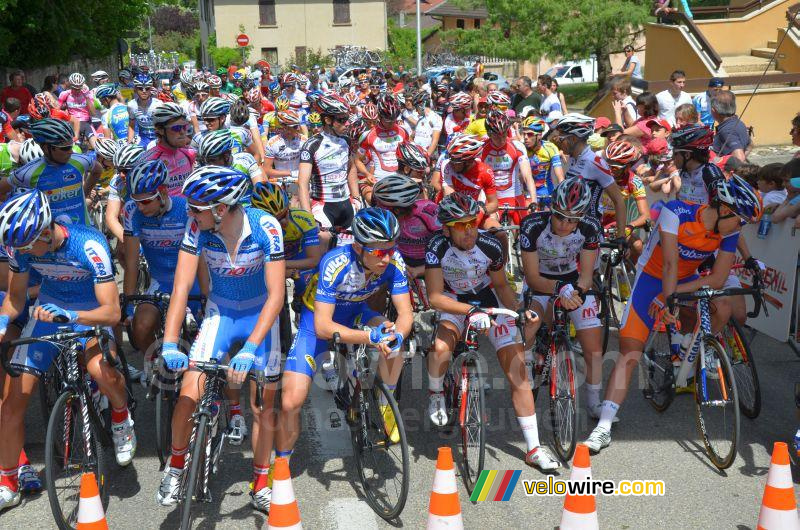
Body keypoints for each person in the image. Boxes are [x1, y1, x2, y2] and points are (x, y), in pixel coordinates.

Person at [584, 176, 761, 453]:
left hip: (687, 281)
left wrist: (676, 295)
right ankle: (604, 426)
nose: (741, 227)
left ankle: (691, 350)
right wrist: (668, 299)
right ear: (724, 208)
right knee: (630, 350)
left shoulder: (729, 232)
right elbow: (668, 264)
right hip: (652, 279)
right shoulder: (676, 213)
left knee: (724, 306)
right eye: (741, 220)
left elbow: (717, 279)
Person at [156, 166, 284, 513]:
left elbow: (276, 296)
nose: (189, 213)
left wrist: (252, 349)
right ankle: (176, 466)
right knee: (187, 394)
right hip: (220, 314)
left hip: (260, 316)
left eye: (196, 207)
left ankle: (260, 481)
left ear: (221, 208)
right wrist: (169, 342)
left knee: (263, 407)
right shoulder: (197, 227)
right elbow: (181, 287)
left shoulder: (265, 227)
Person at [0, 190, 134, 512]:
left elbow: (112, 312)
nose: (24, 254)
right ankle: (7, 481)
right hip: (48, 312)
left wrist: (75, 317)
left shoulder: (88, 244)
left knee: (100, 370)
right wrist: (3, 320)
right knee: (12, 401)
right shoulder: (23, 246)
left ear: (47, 230)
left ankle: (120, 416)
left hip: (90, 312)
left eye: (29, 246)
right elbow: (16, 299)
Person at [424, 192, 558, 470]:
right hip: (454, 303)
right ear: (447, 228)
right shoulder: (436, 246)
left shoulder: (489, 245)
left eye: (472, 222)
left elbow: (501, 287)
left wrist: (520, 310)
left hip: (488, 301)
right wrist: (471, 313)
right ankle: (436, 394)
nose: (470, 230)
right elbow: (435, 297)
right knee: (440, 348)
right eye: (461, 226)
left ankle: (533, 448)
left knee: (518, 373)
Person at [278, 208, 412, 463]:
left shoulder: (395, 261)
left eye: (390, 249)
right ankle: (280, 466)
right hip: (315, 320)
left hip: (357, 311)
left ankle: (385, 401)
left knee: (394, 339)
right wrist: (369, 338)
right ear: (359, 247)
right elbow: (323, 327)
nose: (386, 257)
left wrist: (398, 336)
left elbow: (405, 313)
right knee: (290, 402)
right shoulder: (335, 262)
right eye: (378, 251)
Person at [520, 178, 608, 421]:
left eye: (572, 219)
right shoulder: (532, 225)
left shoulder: (590, 227)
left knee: (593, 347)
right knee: (531, 324)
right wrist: (560, 289)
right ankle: (526, 370)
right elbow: (532, 276)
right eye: (559, 216)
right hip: (540, 282)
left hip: (572, 282)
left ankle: (593, 402)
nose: (565, 224)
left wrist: (576, 291)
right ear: (551, 209)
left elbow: (588, 275)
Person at [121, 159, 206, 383]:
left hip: (192, 281)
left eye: (146, 202)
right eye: (136, 201)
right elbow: (131, 264)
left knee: (202, 337)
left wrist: (207, 295)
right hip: (160, 280)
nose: (140, 207)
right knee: (141, 325)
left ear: (162, 192)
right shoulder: (132, 212)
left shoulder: (186, 210)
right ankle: (153, 362)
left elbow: (203, 258)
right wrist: (128, 304)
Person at [3, 119, 101, 225]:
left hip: (82, 230)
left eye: (71, 146)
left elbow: (98, 170)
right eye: (65, 148)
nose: (71, 151)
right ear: (46, 148)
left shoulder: (80, 160)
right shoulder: (29, 172)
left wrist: (84, 193)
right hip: (51, 236)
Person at [547, 114, 628, 234]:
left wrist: (621, 236)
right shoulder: (573, 159)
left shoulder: (595, 163)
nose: (559, 141)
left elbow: (618, 200)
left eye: (561, 138)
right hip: (570, 227)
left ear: (573, 139)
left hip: (589, 229)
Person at [297, 94, 361, 232]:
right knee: (325, 248)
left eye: (347, 118)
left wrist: (356, 198)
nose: (347, 123)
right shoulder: (311, 145)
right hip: (323, 206)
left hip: (346, 204)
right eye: (342, 120)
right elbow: (302, 184)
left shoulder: (346, 140)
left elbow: (351, 168)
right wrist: (308, 217)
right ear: (327, 120)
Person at [372, 174, 440, 278]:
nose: (378, 209)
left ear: (397, 210)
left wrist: (418, 270)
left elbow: (447, 251)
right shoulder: (385, 218)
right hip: (399, 258)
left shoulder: (427, 213)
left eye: (381, 206)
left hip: (428, 262)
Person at [481, 110, 537, 223]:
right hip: (492, 198)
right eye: (497, 136)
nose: (501, 140)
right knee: (493, 228)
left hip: (514, 195)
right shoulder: (481, 148)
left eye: (504, 135)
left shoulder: (517, 146)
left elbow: (527, 176)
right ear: (489, 134)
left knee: (527, 226)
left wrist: (533, 200)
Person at [358, 94, 409, 201]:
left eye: (394, 120)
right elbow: (357, 160)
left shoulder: (403, 131)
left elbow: (408, 155)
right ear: (380, 117)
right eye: (388, 120)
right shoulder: (368, 135)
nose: (391, 123)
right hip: (379, 179)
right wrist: (367, 174)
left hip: (400, 178)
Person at [144, 102, 196, 196]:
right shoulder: (150, 160)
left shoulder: (189, 154)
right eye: (176, 128)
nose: (182, 132)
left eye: (185, 127)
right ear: (160, 130)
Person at [520, 116, 564, 207]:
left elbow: (560, 177)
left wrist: (563, 195)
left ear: (539, 135)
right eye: (524, 134)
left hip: (546, 191)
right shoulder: (521, 148)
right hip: (527, 192)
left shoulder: (550, 147)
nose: (525, 137)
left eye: (530, 134)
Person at [711, 90, 750, 162]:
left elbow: (739, 158)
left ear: (713, 110)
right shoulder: (738, 122)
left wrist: (718, 163)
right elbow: (750, 145)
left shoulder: (727, 130)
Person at [57, 73, 96, 143]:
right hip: (72, 123)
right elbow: (57, 111)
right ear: (70, 85)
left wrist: (87, 97)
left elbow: (93, 113)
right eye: (74, 88)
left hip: (86, 122)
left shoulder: (88, 94)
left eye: (79, 88)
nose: (77, 91)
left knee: (96, 144)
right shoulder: (64, 94)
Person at [127, 74, 163, 148]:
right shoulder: (131, 105)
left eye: (147, 88)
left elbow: (164, 125)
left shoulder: (158, 104)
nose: (144, 91)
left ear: (151, 89)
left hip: (158, 137)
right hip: (143, 139)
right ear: (135, 89)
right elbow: (131, 126)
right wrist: (129, 143)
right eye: (140, 88)